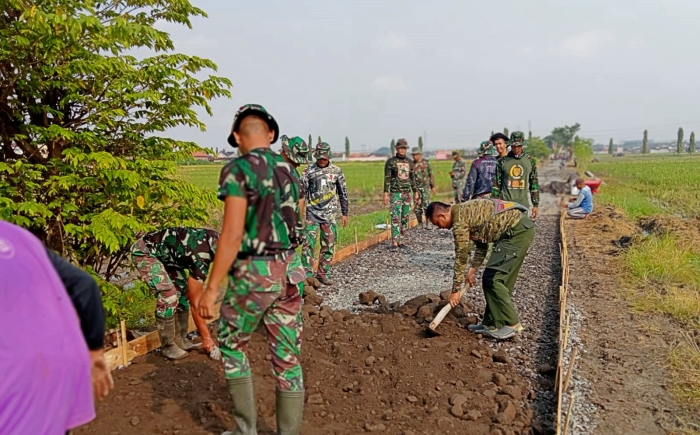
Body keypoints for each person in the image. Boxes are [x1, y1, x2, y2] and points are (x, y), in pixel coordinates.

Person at [198, 104, 305, 435]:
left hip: (255, 274)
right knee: (287, 357)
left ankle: (246, 431)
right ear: (270, 134)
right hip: (292, 271)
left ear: (236, 137)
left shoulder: (238, 170)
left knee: (231, 345)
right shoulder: (289, 170)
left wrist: (212, 288)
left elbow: (231, 233)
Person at [1, 220, 112, 435]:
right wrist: (95, 353)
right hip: (59, 363)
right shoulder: (19, 237)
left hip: (10, 377)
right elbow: (85, 285)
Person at [426, 199, 534, 340]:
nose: (439, 227)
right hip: (517, 231)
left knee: (494, 279)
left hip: (516, 232)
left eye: (437, 223)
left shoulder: (459, 221)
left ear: (442, 216)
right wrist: (472, 270)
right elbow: (482, 243)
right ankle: (491, 323)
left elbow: (461, 256)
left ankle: (512, 324)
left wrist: (455, 290)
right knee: (491, 278)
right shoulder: (463, 212)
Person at [131, 227, 219, 360]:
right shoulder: (201, 259)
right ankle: (168, 346)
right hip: (146, 251)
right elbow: (196, 304)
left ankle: (180, 339)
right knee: (168, 295)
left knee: (183, 293)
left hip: (168, 256)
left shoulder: (218, 239)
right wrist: (207, 338)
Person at [300, 142, 349, 286]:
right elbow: (301, 194)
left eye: (325, 158)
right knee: (307, 245)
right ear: (316, 156)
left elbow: (343, 193)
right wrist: (299, 214)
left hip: (330, 215)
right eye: (320, 158)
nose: (322, 160)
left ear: (328, 157)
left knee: (328, 245)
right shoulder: (308, 171)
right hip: (312, 214)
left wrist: (345, 213)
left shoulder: (337, 171)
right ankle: (307, 276)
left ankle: (323, 274)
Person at [491, 131, 540, 219]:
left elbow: (534, 185)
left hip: (522, 204)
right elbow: (496, 185)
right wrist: (493, 203)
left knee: (521, 230)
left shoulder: (530, 161)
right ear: (510, 145)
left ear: (522, 145)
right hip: (505, 205)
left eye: (518, 146)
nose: (516, 148)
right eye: (514, 146)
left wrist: (535, 205)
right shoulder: (502, 162)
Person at [383, 138, 417, 249]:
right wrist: (385, 193)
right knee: (395, 217)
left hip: (407, 193)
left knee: (405, 217)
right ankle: (394, 241)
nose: (402, 150)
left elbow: (412, 178)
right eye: (400, 148)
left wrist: (415, 191)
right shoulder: (391, 162)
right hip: (395, 193)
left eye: (404, 148)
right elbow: (387, 178)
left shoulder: (410, 162)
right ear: (396, 148)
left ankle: (401, 240)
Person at [411, 146, 435, 228]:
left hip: (425, 187)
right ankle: (420, 223)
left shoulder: (426, 163)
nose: (415, 156)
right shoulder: (411, 165)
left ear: (420, 154)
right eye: (413, 155)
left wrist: (433, 185)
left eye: (416, 155)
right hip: (416, 189)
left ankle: (428, 222)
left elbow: (431, 174)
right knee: (417, 207)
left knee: (426, 205)